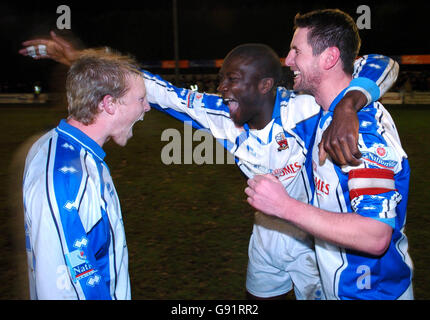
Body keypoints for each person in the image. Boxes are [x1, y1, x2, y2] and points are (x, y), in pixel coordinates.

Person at [20, 33, 397, 300]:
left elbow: (383, 64)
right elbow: (151, 87)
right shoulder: (220, 115)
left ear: (266, 85)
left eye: (233, 80)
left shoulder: (306, 108)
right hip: (267, 233)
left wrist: (349, 104)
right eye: (222, 79)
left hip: (315, 238)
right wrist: (79, 58)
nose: (223, 90)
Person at [245, 9, 413, 300]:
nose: (288, 60)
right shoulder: (329, 113)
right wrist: (347, 104)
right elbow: (381, 63)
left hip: (371, 294)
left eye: (297, 50)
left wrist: (284, 207)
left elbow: (375, 236)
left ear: (329, 58)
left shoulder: (360, 131)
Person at [23, 48, 151, 299]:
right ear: (109, 104)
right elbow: (59, 286)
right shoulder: (67, 179)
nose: (146, 107)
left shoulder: (66, 150)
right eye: (140, 99)